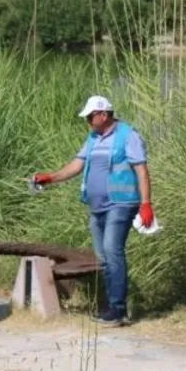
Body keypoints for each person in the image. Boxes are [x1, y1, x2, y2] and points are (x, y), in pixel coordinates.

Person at [32, 95, 153, 327]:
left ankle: (117, 310)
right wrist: (50, 178)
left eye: (90, 117)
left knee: (112, 250)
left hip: (121, 203)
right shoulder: (93, 138)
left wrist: (146, 204)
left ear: (103, 115)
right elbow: (76, 165)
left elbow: (141, 171)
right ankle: (112, 307)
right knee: (103, 257)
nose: (87, 121)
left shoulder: (128, 135)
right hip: (97, 206)